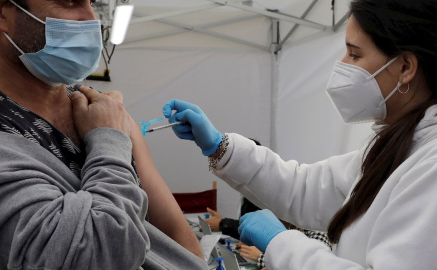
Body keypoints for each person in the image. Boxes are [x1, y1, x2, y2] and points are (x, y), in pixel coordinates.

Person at [162, 0, 437, 269]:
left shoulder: (430, 168)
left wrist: (282, 243)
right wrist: (220, 146)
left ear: (405, 68)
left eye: (354, 54)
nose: (342, 64)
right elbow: (303, 188)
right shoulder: (394, 145)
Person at [0, 0, 206, 269]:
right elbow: (93, 256)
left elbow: (173, 230)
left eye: (92, 2)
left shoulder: (100, 109)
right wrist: (109, 140)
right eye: (69, 2)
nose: (90, 19)